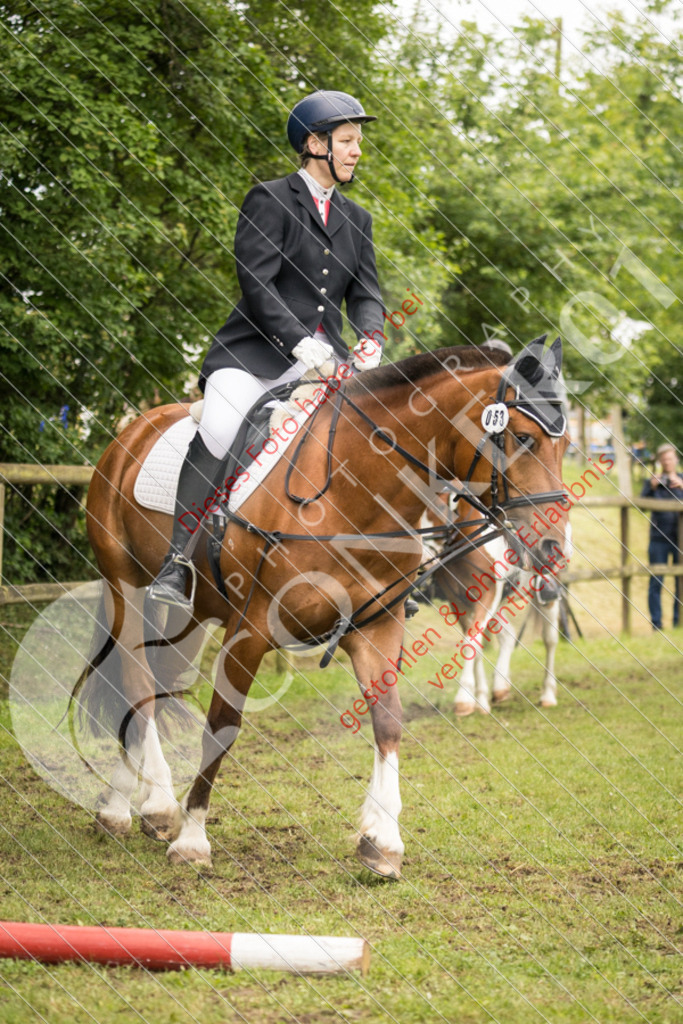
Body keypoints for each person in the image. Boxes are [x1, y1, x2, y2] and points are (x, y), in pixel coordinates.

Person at [148, 90, 386, 609]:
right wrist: (301, 344)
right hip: (254, 357)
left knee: (370, 440)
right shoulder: (270, 199)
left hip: (329, 364)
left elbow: (366, 293)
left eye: (358, 142)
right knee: (221, 425)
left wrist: (371, 339)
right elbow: (257, 283)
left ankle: (372, 565)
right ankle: (179, 558)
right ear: (314, 144)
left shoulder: (358, 219)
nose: (356, 151)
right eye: (347, 141)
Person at [641, 443, 683, 630]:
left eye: (670, 458)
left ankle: (678, 621)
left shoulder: (682, 480)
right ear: (660, 461)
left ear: (676, 459)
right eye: (664, 459)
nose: (667, 462)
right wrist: (651, 487)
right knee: (656, 582)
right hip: (658, 539)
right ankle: (656, 624)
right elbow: (640, 505)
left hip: (680, 539)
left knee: (680, 582)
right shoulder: (652, 482)